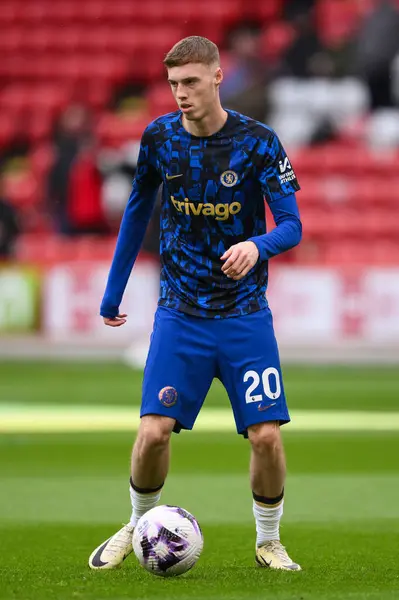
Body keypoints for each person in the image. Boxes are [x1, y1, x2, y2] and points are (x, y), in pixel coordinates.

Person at [89, 36, 302, 572]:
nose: (180, 94)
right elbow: (137, 212)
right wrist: (113, 291)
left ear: (216, 77)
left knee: (267, 438)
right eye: (173, 85)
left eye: (190, 82)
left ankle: (269, 540)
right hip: (180, 314)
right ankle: (137, 522)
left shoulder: (259, 142)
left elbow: (293, 226)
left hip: (244, 314)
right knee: (153, 431)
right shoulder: (159, 138)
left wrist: (257, 245)